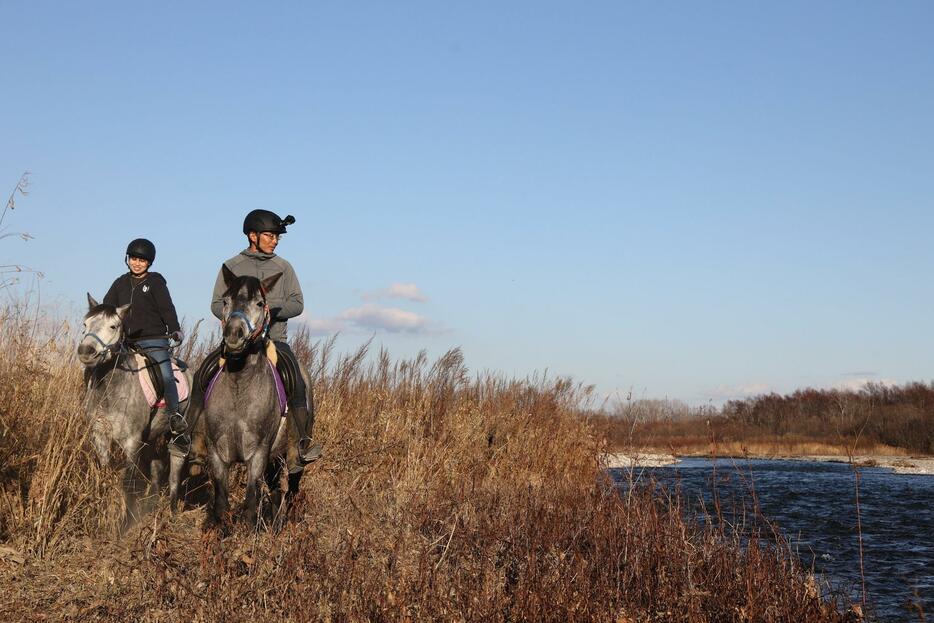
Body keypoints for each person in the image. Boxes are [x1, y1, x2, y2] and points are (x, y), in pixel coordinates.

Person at [210, 209, 321, 473]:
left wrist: (268, 307)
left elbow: (298, 303)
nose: (274, 241)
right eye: (270, 236)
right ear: (253, 235)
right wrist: (235, 317)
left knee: (297, 380)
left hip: (273, 341)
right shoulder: (231, 267)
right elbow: (216, 304)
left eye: (276, 238)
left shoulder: (283, 267)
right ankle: (196, 442)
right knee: (204, 375)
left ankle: (300, 445)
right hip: (237, 342)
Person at [103, 238, 184, 431]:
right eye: (133, 259)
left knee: (166, 376)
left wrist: (175, 328)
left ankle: (175, 417)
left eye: (142, 260)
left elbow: (167, 309)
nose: (137, 263)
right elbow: (108, 307)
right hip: (126, 342)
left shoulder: (155, 282)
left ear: (149, 263)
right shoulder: (120, 283)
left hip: (153, 341)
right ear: (127, 259)